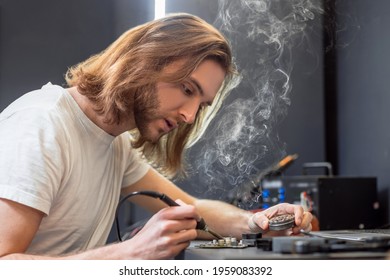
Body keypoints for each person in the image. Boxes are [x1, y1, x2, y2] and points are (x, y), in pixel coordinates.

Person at [0, 13, 312, 260]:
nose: (189, 116)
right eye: (187, 89)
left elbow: (191, 209)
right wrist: (129, 253)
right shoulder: (41, 124)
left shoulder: (114, 142)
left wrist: (255, 222)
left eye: (199, 105)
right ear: (144, 60)